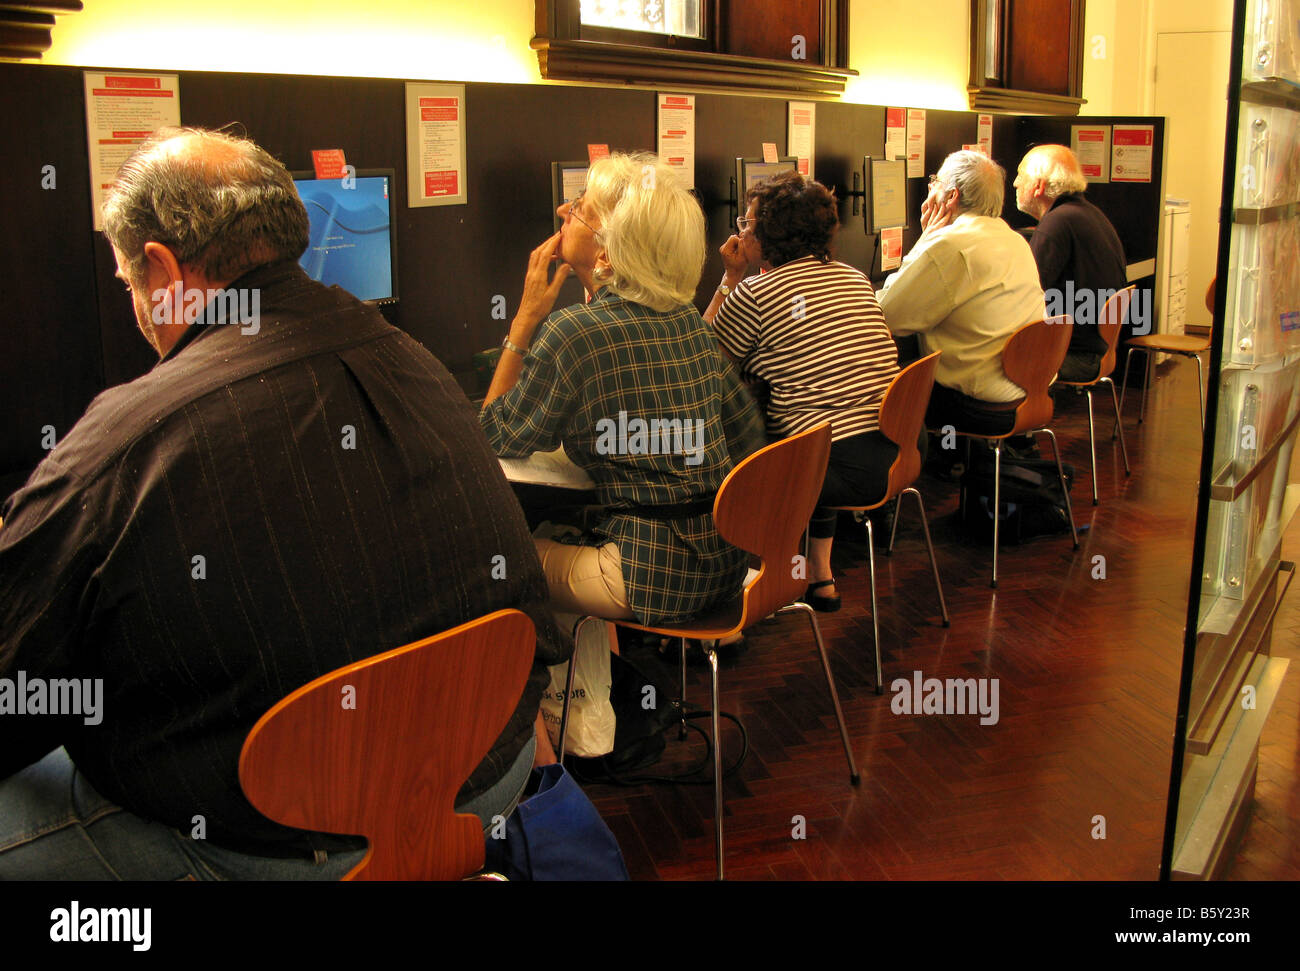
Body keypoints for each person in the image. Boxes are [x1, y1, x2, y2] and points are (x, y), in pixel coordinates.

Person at [0, 127, 568, 880]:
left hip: (293, 844)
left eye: (128, 281)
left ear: (164, 268)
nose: (136, 305)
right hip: (484, 778)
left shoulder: (128, 437)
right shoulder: (417, 361)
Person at [479, 152, 765, 644]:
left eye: (579, 209)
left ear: (609, 251)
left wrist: (525, 319)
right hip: (726, 561)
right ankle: (601, 696)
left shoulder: (574, 333)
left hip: (649, 575)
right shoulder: (689, 323)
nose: (563, 214)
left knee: (491, 561)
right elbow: (746, 434)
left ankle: (560, 712)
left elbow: (490, 439)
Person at [704, 170, 899, 612]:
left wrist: (729, 278)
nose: (741, 231)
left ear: (765, 235)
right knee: (808, 420)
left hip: (825, 465)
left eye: (746, 224)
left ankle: (742, 590)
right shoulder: (852, 278)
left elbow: (702, 362)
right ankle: (819, 575)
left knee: (738, 444)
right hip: (889, 450)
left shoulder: (756, 293)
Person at [877, 150, 1046, 437]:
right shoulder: (1014, 240)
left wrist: (925, 241)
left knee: (880, 388)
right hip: (1027, 389)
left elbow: (888, 316)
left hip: (976, 402)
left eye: (935, 181)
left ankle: (915, 468)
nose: (931, 188)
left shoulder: (950, 246)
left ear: (951, 196)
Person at [1014, 144, 1128, 383]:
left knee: (987, 361)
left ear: (1038, 185)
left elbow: (1026, 294)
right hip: (1100, 351)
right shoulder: (1090, 214)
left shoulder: (1056, 225)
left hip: (1076, 357)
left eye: (1020, 175)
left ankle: (1022, 417)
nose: (1015, 183)